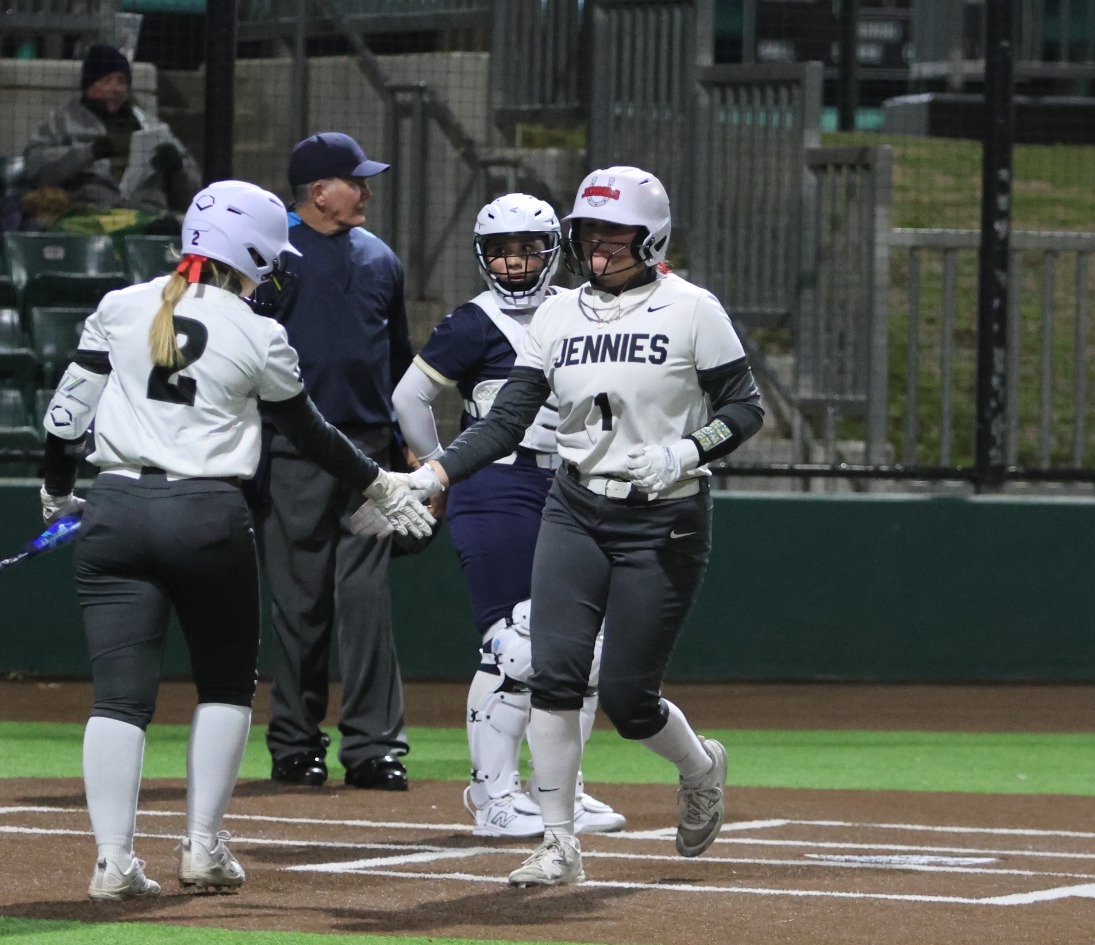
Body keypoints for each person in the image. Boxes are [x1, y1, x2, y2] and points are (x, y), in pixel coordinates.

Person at [37, 180, 434, 901]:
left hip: (116, 507)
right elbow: (310, 433)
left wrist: (58, 489)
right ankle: (202, 846)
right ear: (249, 249)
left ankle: (112, 860)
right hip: (207, 516)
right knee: (223, 685)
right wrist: (378, 483)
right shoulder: (260, 332)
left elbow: (65, 420)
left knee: (118, 700)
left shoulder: (121, 306)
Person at [395, 166, 765, 886]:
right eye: (587, 234)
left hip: (664, 517)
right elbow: (505, 420)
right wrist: (435, 471)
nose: (597, 248)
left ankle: (700, 767)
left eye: (614, 234)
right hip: (574, 508)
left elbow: (745, 408)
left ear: (651, 235)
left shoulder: (693, 308)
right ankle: (559, 843)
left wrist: (688, 450)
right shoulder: (559, 316)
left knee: (628, 697)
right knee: (555, 672)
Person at [389, 193, 625, 839]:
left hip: (572, 483)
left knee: (581, 645)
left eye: (527, 248)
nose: (514, 262)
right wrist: (444, 465)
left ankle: (562, 790)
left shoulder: (584, 309)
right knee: (514, 644)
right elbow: (409, 399)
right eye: (500, 249)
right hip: (497, 483)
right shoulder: (472, 322)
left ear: (553, 250)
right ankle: (493, 795)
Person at [254, 131, 417, 792]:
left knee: (366, 599)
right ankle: (296, 743)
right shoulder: (274, 256)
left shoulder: (382, 259)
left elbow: (401, 361)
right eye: (356, 180)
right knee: (299, 604)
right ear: (318, 191)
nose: (368, 191)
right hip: (293, 450)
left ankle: (374, 746)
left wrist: (411, 442)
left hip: (371, 453)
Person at [21, 44, 199, 224]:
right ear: (89, 86)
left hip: (148, 219)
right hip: (90, 218)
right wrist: (91, 151)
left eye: (121, 81)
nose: (116, 88)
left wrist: (177, 169)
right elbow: (36, 168)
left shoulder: (151, 127)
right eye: (107, 81)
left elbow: (194, 189)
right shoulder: (62, 122)